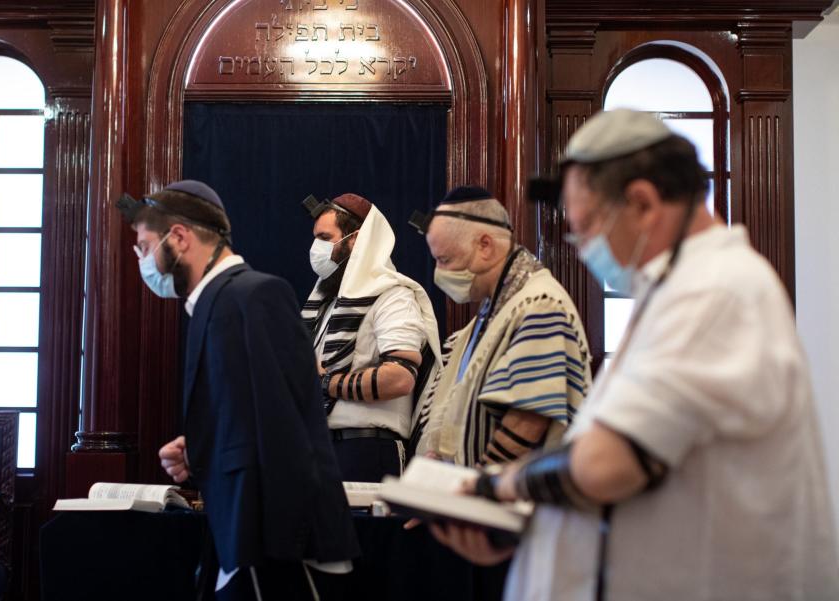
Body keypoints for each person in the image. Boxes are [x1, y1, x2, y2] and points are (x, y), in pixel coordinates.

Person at [431, 109, 839, 600]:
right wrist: (521, 524)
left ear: (643, 204)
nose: (580, 246)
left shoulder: (716, 290)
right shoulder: (672, 291)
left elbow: (606, 465)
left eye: (584, 227)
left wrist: (498, 487)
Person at [120, 180, 360, 601]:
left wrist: (269, 559)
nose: (140, 260)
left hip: (276, 548)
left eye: (144, 246)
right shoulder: (217, 301)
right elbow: (248, 421)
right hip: (245, 535)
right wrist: (201, 448)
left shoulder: (253, 296)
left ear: (179, 236)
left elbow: (285, 432)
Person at [408, 186, 592, 468]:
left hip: (511, 502)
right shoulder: (494, 311)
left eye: (445, 260)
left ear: (485, 245)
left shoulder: (539, 306)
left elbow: (528, 420)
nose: (440, 272)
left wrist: (476, 489)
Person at [302, 193, 442, 482]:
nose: (317, 248)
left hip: (368, 450)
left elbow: (400, 377)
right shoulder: (324, 303)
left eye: (325, 237)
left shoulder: (393, 296)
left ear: (355, 239)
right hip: (316, 448)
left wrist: (326, 383)